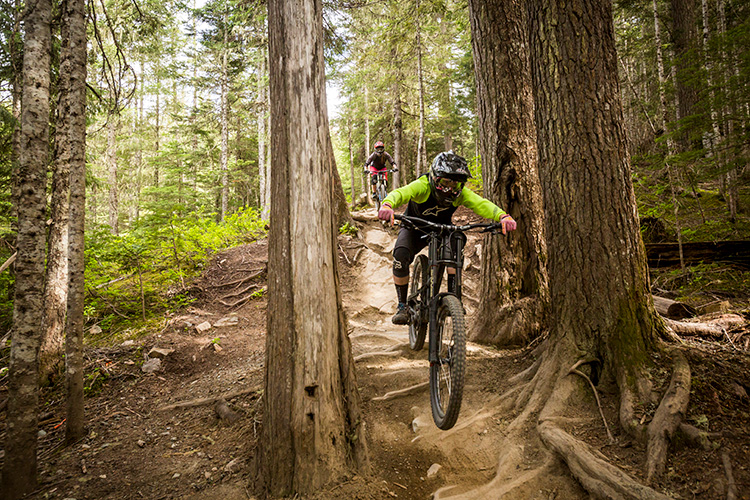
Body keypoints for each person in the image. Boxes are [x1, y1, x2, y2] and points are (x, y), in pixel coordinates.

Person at [378, 151, 517, 325]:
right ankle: (402, 305)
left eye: (456, 184)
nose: (450, 189)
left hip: (443, 230)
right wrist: (387, 205)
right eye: (445, 182)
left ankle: (453, 297)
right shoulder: (422, 186)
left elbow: (481, 204)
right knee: (400, 254)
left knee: (456, 242)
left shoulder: (461, 195)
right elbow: (401, 193)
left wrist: (503, 217)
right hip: (414, 228)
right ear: (434, 178)